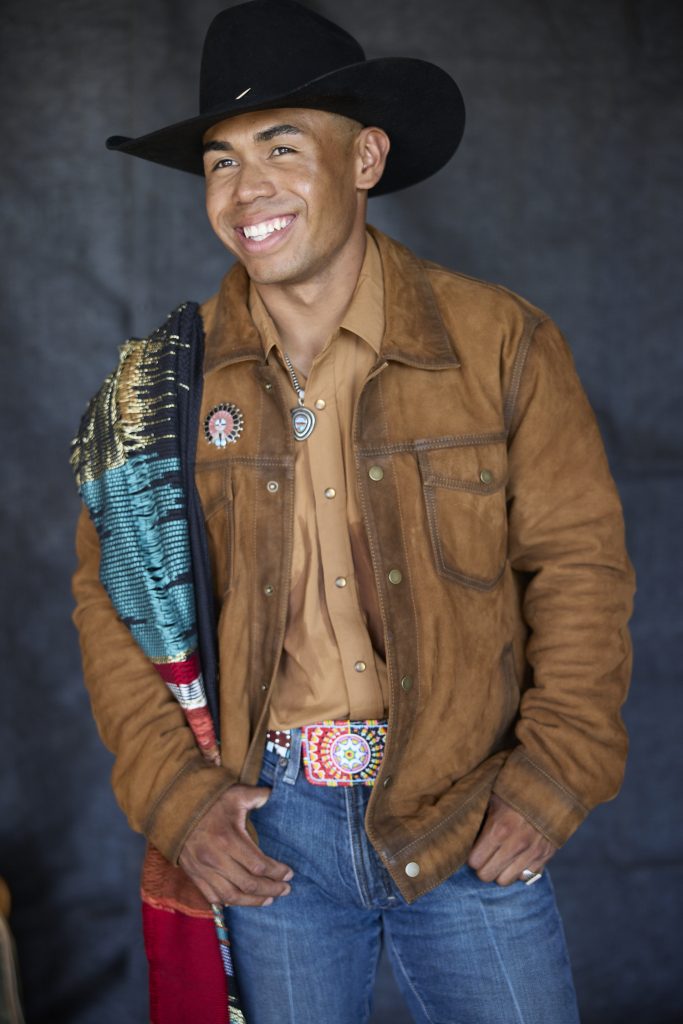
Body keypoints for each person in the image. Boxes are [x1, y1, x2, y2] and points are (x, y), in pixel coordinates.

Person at [71, 2, 635, 1022]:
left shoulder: (499, 342)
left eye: (281, 147)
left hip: (464, 813)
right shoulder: (158, 390)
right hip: (266, 835)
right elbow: (110, 605)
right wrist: (178, 797)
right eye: (222, 160)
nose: (246, 189)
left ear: (364, 159)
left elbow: (578, 568)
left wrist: (553, 774)